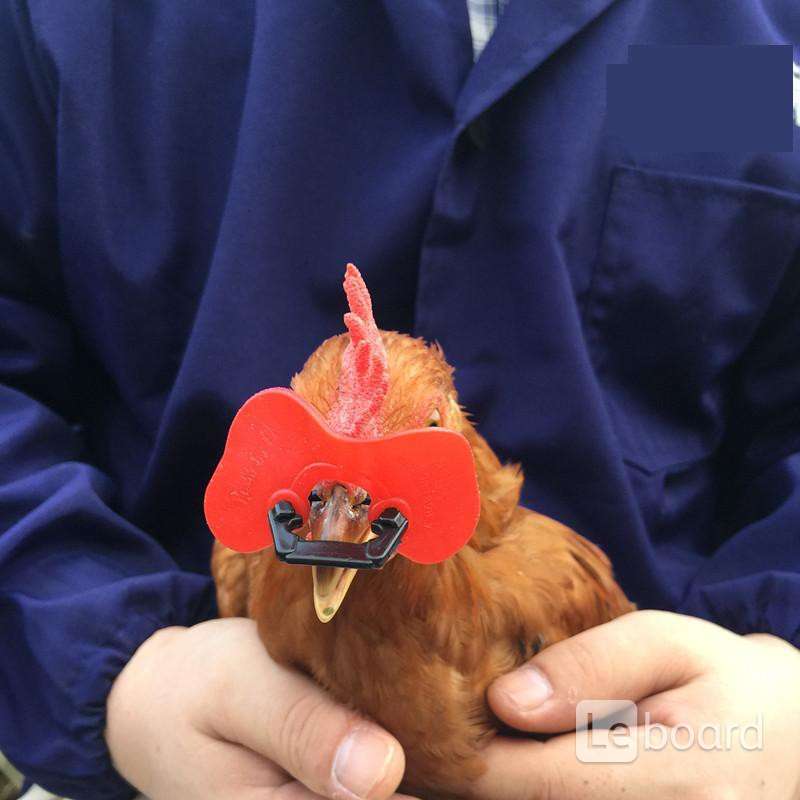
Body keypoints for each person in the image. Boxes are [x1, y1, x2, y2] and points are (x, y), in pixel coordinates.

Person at [1, 2, 799, 799]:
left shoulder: (763, 32)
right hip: (160, 737)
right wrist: (109, 663)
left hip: (680, 744)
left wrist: (786, 674)